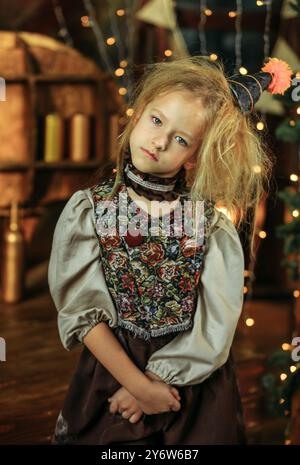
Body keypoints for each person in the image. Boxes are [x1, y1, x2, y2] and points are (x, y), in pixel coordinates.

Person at [48, 55, 292, 445]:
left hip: (194, 384)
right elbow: (82, 311)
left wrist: (156, 382)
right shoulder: (90, 210)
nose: (160, 141)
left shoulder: (211, 225)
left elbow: (216, 326)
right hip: (112, 371)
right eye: (157, 121)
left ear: (194, 156)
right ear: (138, 113)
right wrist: (138, 387)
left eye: (181, 140)